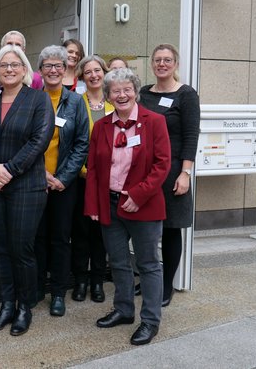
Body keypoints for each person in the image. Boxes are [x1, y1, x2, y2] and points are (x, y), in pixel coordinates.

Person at [0, 44, 54, 336]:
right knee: (0, 250)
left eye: (14, 64)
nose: (8, 69)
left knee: (22, 249)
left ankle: (24, 307)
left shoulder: (38, 100)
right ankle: (6, 303)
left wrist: (7, 171)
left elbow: (39, 140)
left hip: (25, 187)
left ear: (25, 70)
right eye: (3, 65)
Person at [85, 68, 171, 346]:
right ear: (108, 95)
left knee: (147, 264)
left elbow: (162, 165)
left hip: (143, 205)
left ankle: (150, 321)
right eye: (115, 91)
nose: (121, 95)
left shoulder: (155, 121)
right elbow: (95, 168)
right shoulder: (101, 126)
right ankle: (123, 310)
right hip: (110, 204)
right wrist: (94, 204)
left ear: (135, 92)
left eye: (127, 90)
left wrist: (138, 194)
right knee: (119, 263)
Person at [138, 44, 200, 307]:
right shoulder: (143, 93)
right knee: (146, 229)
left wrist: (185, 173)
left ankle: (166, 285)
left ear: (175, 64)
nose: (162, 64)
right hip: (147, 171)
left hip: (174, 170)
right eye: (158, 60)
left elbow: (190, 135)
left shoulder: (186, 95)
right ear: (152, 64)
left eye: (167, 60)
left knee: (172, 229)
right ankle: (150, 278)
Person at [34, 45, 89, 317]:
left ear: (66, 68)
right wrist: (41, 175)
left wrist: (62, 179)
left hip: (64, 185)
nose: (53, 70)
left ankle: (58, 292)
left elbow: (81, 144)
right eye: (48, 65)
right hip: (34, 182)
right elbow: (27, 141)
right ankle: (36, 288)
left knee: (59, 238)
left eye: (58, 65)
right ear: (40, 70)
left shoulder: (76, 101)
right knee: (37, 236)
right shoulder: (32, 98)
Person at [70, 55, 113, 303]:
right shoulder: (76, 102)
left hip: (107, 181)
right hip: (81, 178)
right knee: (80, 233)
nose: (94, 75)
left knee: (101, 235)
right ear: (82, 77)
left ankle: (97, 281)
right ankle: (80, 281)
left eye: (98, 70)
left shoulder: (115, 102)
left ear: (104, 73)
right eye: (88, 72)